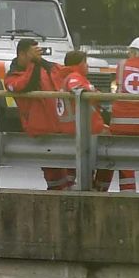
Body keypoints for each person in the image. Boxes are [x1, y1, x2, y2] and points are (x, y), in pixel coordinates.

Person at [5, 37, 67, 191]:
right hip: (40, 133)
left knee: (69, 179)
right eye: (32, 53)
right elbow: (25, 85)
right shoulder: (12, 77)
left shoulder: (45, 68)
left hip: (61, 129)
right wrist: (35, 63)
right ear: (22, 54)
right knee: (55, 181)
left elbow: (65, 74)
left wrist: (41, 62)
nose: (37, 56)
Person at [51, 50, 110, 191]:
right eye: (85, 62)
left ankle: (73, 186)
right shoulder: (74, 77)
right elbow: (77, 88)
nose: (87, 66)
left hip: (73, 130)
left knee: (78, 165)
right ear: (79, 64)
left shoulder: (64, 76)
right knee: (110, 156)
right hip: (85, 129)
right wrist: (96, 93)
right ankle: (99, 190)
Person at [107, 37, 139, 192]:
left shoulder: (121, 66)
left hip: (120, 124)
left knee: (125, 162)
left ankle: (128, 194)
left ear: (133, 52)